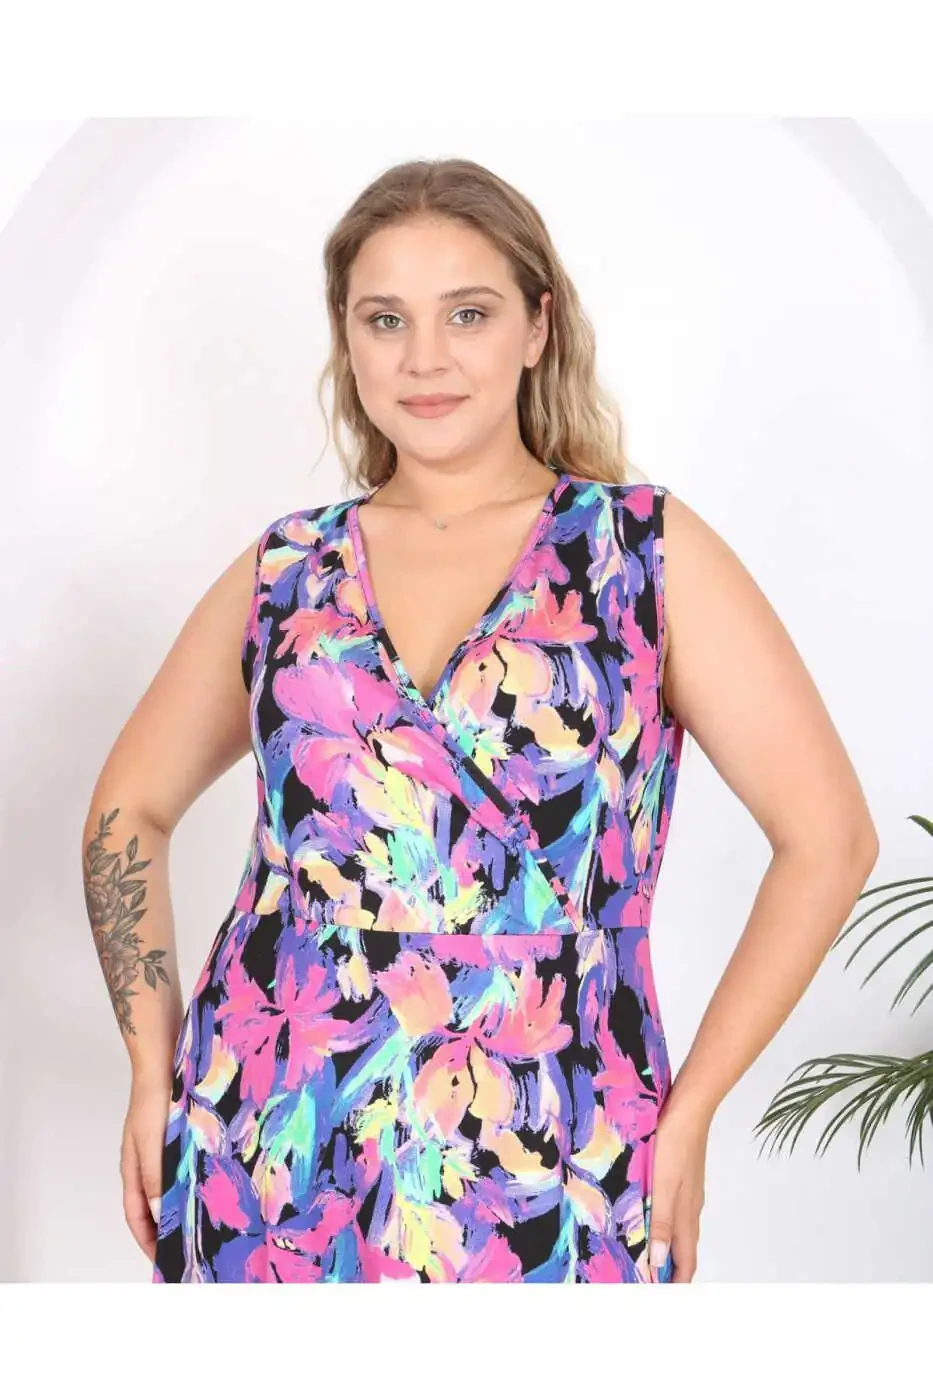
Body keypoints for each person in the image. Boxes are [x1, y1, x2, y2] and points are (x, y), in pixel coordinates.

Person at [82, 157, 879, 1285]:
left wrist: (692, 1108)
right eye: (385, 319)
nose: (424, 357)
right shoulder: (288, 570)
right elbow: (129, 805)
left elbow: (830, 838)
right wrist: (151, 1067)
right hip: (270, 1140)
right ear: (346, 338)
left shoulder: (637, 554)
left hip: (554, 1144)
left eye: (467, 313)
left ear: (538, 326)